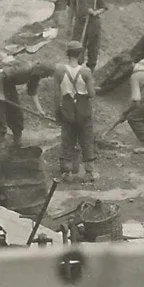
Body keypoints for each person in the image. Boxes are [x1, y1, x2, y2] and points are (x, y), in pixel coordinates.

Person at [0, 59, 53, 152]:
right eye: (44, 75)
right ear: (41, 71)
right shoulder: (25, 68)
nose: (43, 77)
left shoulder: (36, 75)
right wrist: (1, 93)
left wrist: (40, 109)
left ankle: (17, 138)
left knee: (16, 112)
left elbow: (32, 92)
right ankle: (0, 142)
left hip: (9, 84)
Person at [55, 41, 97, 183]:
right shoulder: (86, 72)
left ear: (68, 54)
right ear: (80, 54)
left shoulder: (59, 70)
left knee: (67, 140)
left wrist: (57, 113)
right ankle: (89, 173)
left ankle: (66, 172)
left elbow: (56, 95)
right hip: (83, 109)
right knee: (86, 140)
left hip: (67, 109)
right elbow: (91, 94)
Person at [71, 0, 109, 72]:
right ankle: (76, 71)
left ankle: (91, 71)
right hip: (80, 23)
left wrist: (96, 12)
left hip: (93, 23)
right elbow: (72, 8)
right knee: (77, 47)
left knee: (93, 47)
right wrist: (70, 23)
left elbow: (104, 7)